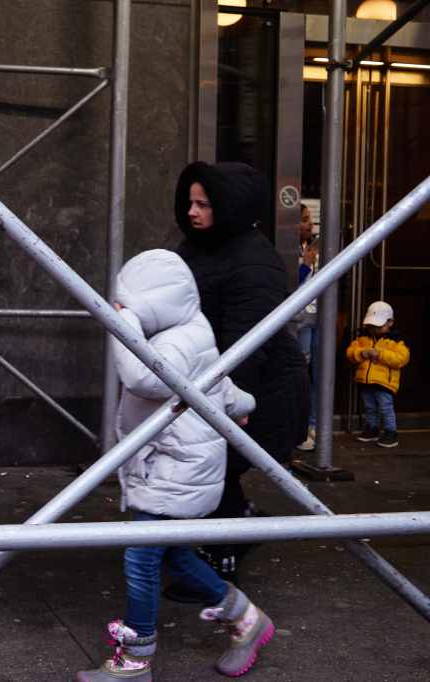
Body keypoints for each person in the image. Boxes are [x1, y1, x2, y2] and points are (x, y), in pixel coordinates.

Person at [76, 250, 270, 681]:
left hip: (175, 468)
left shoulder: (175, 341)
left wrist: (121, 325)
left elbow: (145, 378)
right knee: (175, 555)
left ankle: (136, 659)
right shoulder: (191, 330)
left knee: (141, 559)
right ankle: (246, 619)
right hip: (175, 465)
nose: (120, 308)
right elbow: (221, 385)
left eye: (127, 302)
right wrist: (244, 404)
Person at [172, 161, 310, 587]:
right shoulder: (198, 248)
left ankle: (222, 558)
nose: (193, 212)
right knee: (214, 469)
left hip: (258, 390)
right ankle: (232, 533)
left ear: (228, 206)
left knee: (218, 466)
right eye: (190, 202)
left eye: (204, 204)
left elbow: (248, 343)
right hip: (213, 380)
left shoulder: (255, 261)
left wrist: (235, 401)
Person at [346, 301, 410, 448]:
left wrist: (379, 354)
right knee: (369, 407)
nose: (375, 329)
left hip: (384, 383)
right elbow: (350, 353)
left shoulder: (395, 341)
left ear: (390, 322)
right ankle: (372, 429)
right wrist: (362, 353)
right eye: (372, 326)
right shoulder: (362, 338)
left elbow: (402, 358)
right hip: (366, 381)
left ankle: (390, 432)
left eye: (378, 326)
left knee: (385, 408)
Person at [295, 203, 320, 451]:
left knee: (317, 374)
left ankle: (313, 424)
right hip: (300, 319)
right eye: (305, 220)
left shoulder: (313, 248)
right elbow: (289, 285)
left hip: (318, 316)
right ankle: (300, 427)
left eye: (310, 220)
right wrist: (304, 265)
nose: (310, 225)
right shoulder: (289, 248)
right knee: (301, 371)